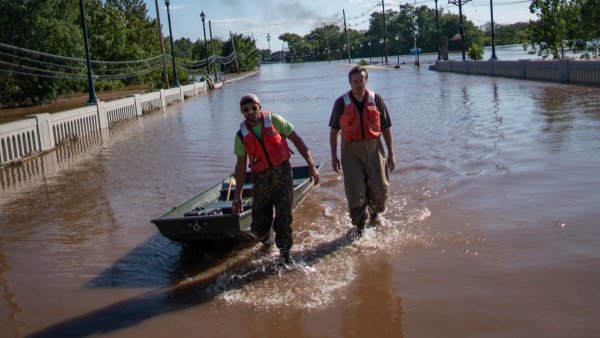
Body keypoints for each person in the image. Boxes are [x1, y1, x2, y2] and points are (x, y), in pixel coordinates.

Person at [232, 93, 320, 264]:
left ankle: (285, 254)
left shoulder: (275, 121)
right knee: (258, 226)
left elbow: (297, 140)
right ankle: (267, 240)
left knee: (283, 219)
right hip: (261, 179)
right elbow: (241, 166)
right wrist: (238, 195)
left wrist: (311, 164)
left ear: (260, 107)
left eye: (253, 107)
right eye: (245, 110)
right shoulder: (241, 135)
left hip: (283, 176)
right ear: (242, 112)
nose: (250, 112)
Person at [329, 66, 395, 238]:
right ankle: (359, 227)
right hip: (350, 151)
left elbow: (386, 128)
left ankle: (375, 213)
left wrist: (391, 154)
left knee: (380, 187)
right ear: (350, 83)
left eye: (361, 81)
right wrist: (334, 156)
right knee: (355, 191)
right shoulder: (341, 103)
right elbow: (334, 131)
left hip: (374, 148)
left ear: (366, 80)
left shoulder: (376, 99)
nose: (358, 84)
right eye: (355, 82)